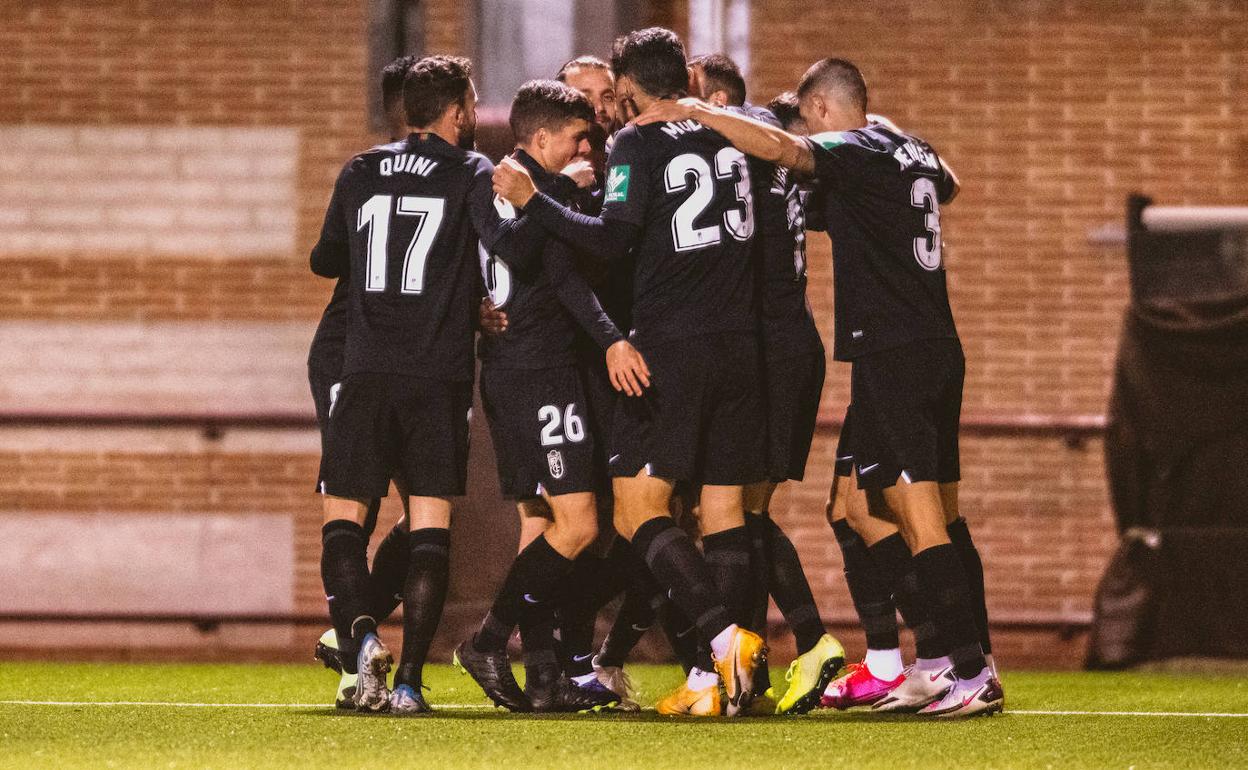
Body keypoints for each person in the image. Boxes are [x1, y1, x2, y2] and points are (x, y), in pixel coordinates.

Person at [635, 57, 1002, 717]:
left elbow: (785, 147)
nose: (808, 134)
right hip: (928, 346)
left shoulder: (851, 147)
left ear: (824, 111)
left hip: (896, 350)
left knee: (920, 519)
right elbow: (947, 182)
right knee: (856, 506)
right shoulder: (904, 147)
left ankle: (970, 668)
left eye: (811, 120)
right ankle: (925, 661)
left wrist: (694, 111)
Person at [491, 27, 767, 717]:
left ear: (633, 87)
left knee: (638, 505)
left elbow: (613, 237)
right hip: (744, 345)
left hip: (673, 345)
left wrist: (535, 203)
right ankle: (720, 685)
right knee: (723, 510)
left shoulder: (638, 144)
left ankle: (723, 641)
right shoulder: (732, 136)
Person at [311, 54, 542, 715]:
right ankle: (410, 683)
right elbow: (505, 246)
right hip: (436, 377)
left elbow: (324, 259)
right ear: (459, 110)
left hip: (364, 368)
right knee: (430, 528)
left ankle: (360, 645)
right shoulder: (470, 170)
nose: (474, 113)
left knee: (344, 525)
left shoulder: (359, 170)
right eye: (471, 102)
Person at [457, 78, 649, 713]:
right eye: (575, 140)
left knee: (542, 523)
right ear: (541, 139)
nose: (585, 150)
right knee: (580, 524)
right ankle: (487, 640)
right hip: (537, 372)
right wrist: (561, 189)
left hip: (520, 369)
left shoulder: (513, 190)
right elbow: (535, 258)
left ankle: (542, 675)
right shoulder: (516, 187)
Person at [683, 54, 847, 716]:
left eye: (692, 97)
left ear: (720, 99)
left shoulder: (742, 148)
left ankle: (804, 643)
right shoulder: (777, 160)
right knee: (743, 514)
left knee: (733, 513)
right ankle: (756, 661)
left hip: (767, 349)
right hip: (791, 343)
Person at [306, 54, 419, 711]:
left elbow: (324, 260)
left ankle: (355, 632)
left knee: (411, 511)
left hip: (375, 353)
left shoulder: (363, 172)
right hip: (359, 354)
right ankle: (358, 659)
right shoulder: (458, 176)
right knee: (368, 506)